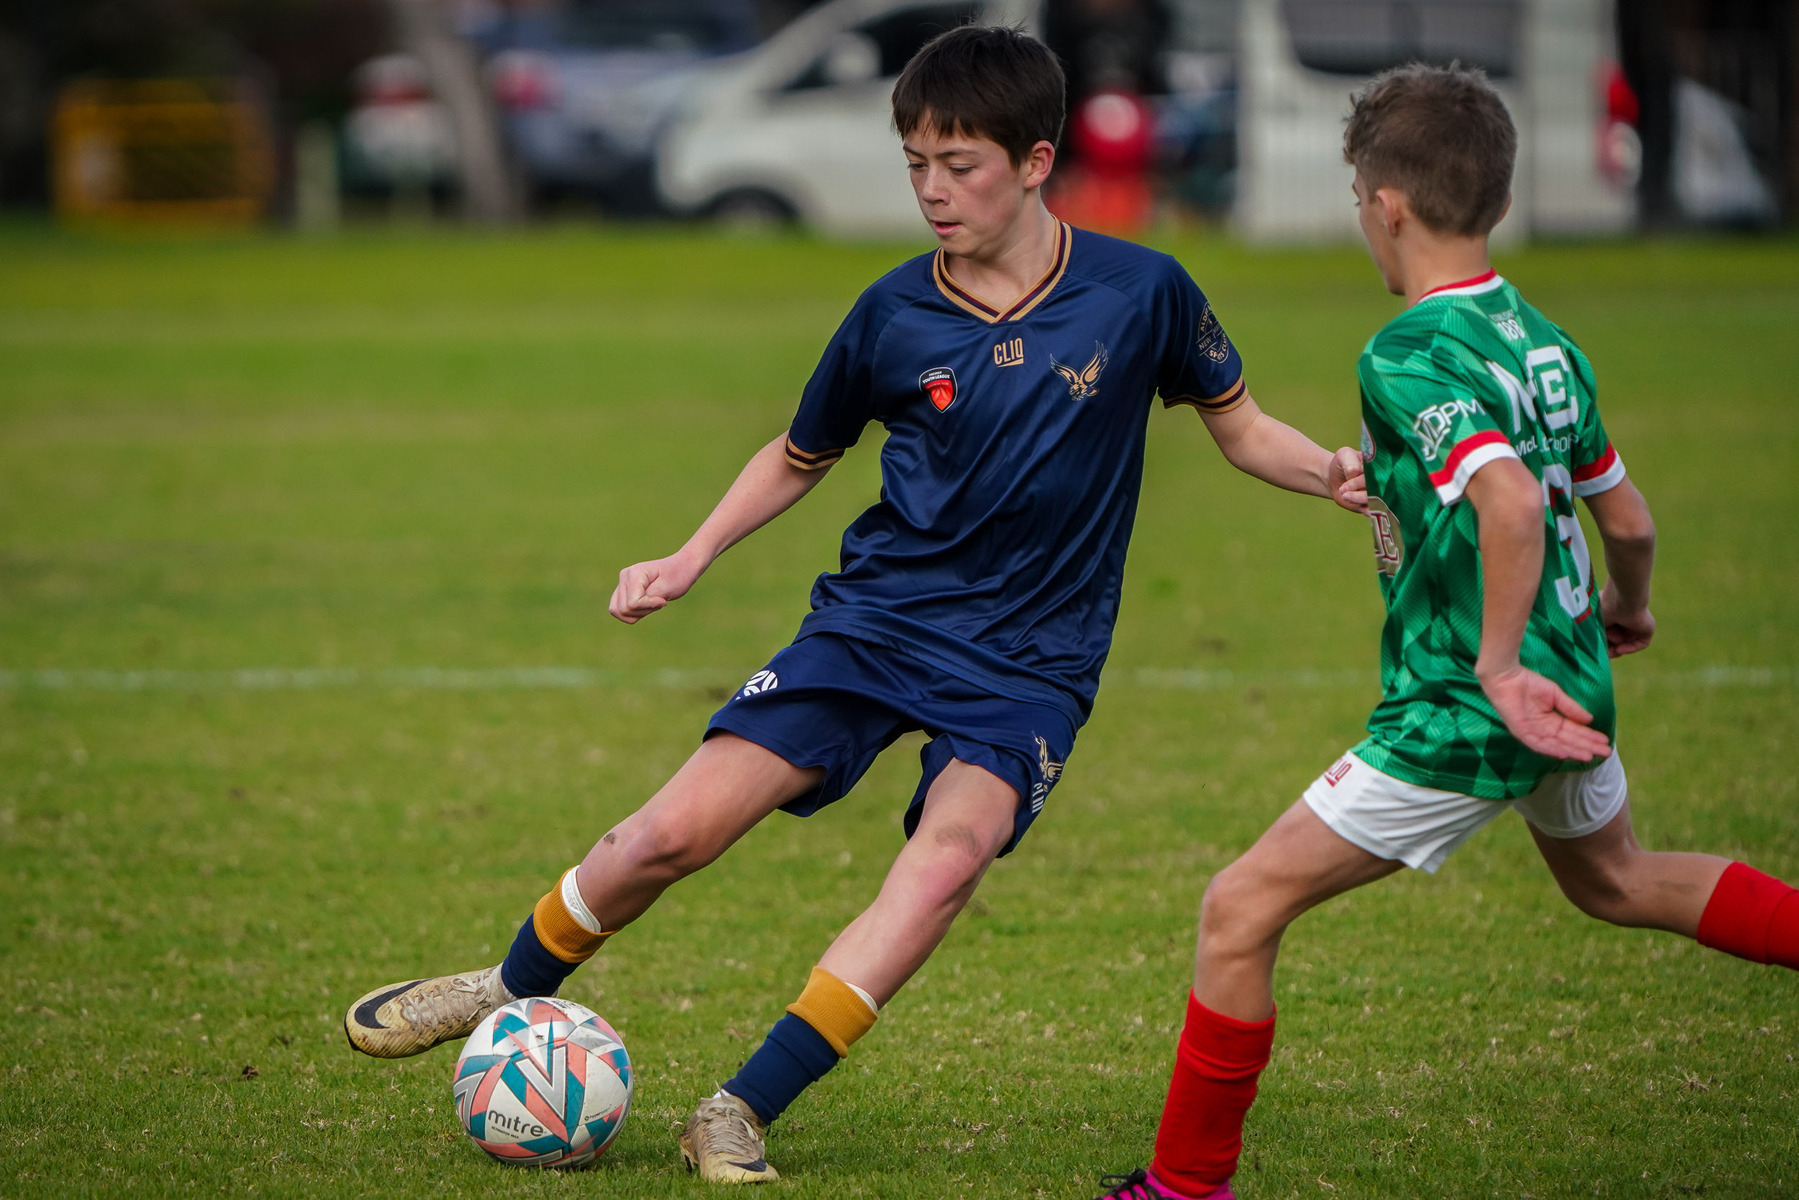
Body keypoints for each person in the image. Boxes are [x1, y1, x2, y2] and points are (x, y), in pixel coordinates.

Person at [343, 25, 1364, 1184]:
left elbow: (1238, 427)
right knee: (665, 834)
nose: (932, 191)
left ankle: (737, 1108)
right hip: (873, 626)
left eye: (958, 165)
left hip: (1028, 664)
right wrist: (691, 556)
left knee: (947, 860)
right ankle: (508, 984)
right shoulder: (890, 315)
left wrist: (1325, 469)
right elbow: (798, 453)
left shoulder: (1141, 292)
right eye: (915, 164)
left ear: (1034, 162)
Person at [1091, 63, 1799, 1200]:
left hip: (1474, 703)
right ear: (1499, 202)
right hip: (1571, 678)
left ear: (1384, 207)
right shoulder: (1539, 337)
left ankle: (1182, 1187)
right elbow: (1621, 512)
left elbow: (1512, 500)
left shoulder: (1403, 351)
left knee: (1237, 907)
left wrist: (1498, 666)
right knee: (1615, 882)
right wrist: (1627, 607)